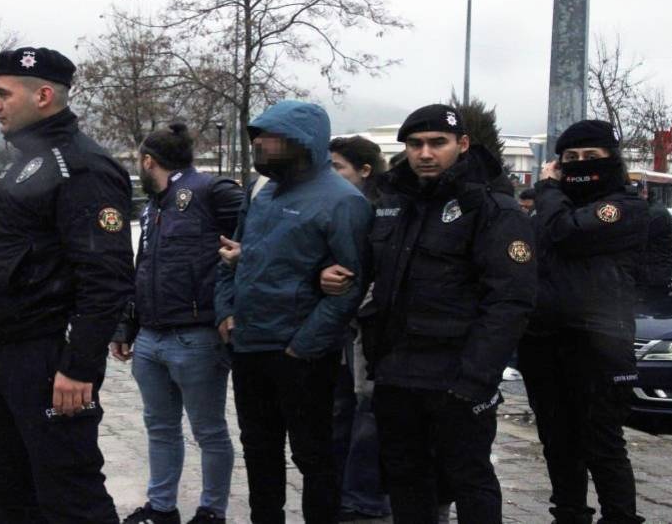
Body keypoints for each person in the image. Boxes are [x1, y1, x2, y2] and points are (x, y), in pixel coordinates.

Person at [0, 47, 134, 523]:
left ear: (42, 96)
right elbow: (16, 248)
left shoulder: (83, 166)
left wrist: (79, 366)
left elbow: (106, 276)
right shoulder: (25, 162)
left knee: (69, 495)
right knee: (7, 488)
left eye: (3, 94)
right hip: (1, 350)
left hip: (45, 354)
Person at [363, 104, 536, 524]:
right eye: (415, 144)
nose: (425, 153)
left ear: (462, 145)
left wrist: (476, 379)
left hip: (457, 376)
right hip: (397, 372)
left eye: (437, 143)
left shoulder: (492, 209)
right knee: (406, 479)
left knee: (469, 480)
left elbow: (509, 302)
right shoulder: (394, 202)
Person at [214, 100, 372, 523]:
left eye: (270, 138)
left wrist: (303, 346)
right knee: (258, 450)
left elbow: (350, 285)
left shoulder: (343, 201)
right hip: (248, 345)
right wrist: (225, 313)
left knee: (312, 455)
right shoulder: (260, 192)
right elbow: (231, 255)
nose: (259, 145)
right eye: (257, 137)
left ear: (302, 142)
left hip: (301, 356)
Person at [111, 123, 244, 524]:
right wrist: (126, 325)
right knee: (159, 428)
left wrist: (245, 256)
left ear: (147, 161)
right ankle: (161, 507)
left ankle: (212, 512)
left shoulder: (211, 191)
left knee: (209, 431)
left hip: (196, 335)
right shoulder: (155, 205)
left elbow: (262, 232)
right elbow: (143, 268)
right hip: (150, 337)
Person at [518, 119, 647, 524]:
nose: (580, 163)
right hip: (544, 340)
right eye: (570, 157)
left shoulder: (625, 207)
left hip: (599, 343)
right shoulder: (552, 207)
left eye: (591, 156)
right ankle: (569, 514)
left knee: (602, 443)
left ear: (611, 158)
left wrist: (548, 189)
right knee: (557, 442)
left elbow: (565, 233)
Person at [325, 136, 391, 522]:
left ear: (365, 170)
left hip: (365, 327)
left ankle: (363, 497)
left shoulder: (379, 211)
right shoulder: (343, 207)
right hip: (342, 326)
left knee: (367, 411)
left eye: (338, 167)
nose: (330, 175)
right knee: (342, 410)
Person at [635, 183, 672, 300]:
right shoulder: (651, 210)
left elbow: (639, 240)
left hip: (653, 275)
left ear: (644, 193)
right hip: (652, 273)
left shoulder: (655, 214)